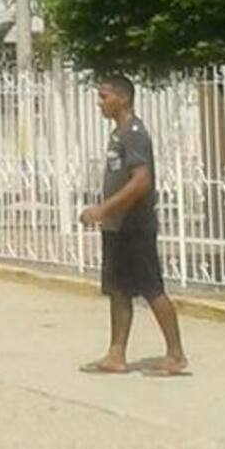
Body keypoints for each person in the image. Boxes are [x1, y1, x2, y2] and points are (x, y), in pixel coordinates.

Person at [79, 74, 188, 377]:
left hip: (135, 225)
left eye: (104, 97)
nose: (99, 103)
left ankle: (175, 354)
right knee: (118, 289)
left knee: (152, 288)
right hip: (117, 227)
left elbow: (141, 182)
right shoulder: (119, 133)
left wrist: (102, 209)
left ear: (122, 99)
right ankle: (116, 354)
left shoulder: (135, 134)